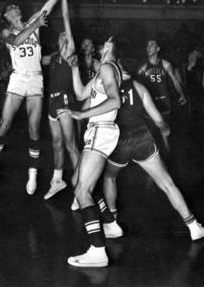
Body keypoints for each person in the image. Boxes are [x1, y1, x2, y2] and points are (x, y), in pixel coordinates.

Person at [104, 57, 204, 241]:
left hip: (120, 141)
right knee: (167, 184)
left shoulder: (108, 88)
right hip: (142, 140)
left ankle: (112, 223)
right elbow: (158, 120)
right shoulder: (140, 88)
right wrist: (165, 129)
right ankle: (193, 227)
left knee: (109, 176)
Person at [0, 0, 70, 194]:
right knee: (4, 124)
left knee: (34, 130)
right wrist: (35, 27)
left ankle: (32, 174)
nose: (16, 8)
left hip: (35, 79)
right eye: (11, 7)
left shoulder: (33, 20)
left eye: (16, 6)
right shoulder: (6, 31)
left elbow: (52, 1)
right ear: (6, 15)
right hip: (18, 78)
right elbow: (17, 41)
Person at [57, 36, 122, 267]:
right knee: (78, 181)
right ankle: (111, 224)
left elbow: (115, 102)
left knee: (82, 189)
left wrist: (82, 115)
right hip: (97, 131)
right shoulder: (102, 72)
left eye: (107, 42)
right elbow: (81, 94)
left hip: (101, 130)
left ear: (113, 47)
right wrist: (75, 68)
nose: (102, 44)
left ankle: (97, 250)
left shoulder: (107, 68)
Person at [42, 0, 80, 203]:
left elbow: (65, 17)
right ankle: (58, 180)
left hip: (65, 102)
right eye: (61, 34)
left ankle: (80, 187)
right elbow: (36, 59)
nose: (63, 34)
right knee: (56, 144)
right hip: (51, 104)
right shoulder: (53, 57)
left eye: (66, 34)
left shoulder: (68, 53)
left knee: (70, 145)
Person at [138, 39, 187, 151]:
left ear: (158, 49)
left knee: (164, 132)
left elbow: (175, 81)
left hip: (164, 102)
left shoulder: (165, 64)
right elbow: (136, 84)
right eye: (147, 45)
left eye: (151, 45)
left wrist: (182, 95)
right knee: (150, 133)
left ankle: (168, 157)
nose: (148, 47)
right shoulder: (143, 65)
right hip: (149, 102)